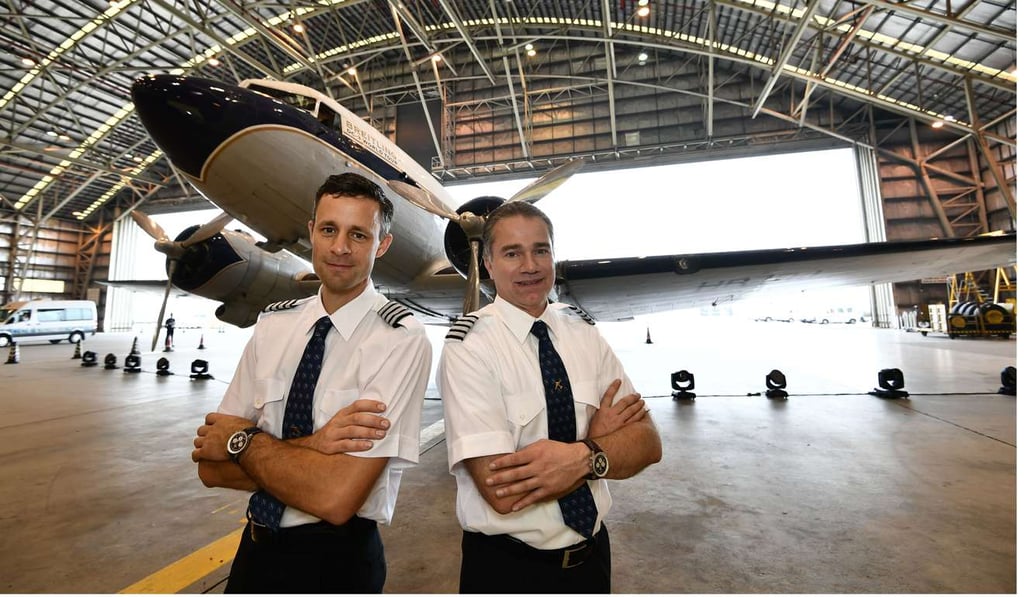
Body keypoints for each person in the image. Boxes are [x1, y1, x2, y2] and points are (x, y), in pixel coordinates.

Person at [190, 172, 432, 593]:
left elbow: (336, 497)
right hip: (253, 555)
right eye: (329, 229)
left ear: (383, 244)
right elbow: (211, 467)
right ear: (311, 234)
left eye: (359, 234)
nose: (340, 247)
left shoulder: (400, 339)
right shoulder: (272, 325)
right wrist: (316, 447)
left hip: (337, 564)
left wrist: (244, 442)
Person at [438, 200, 662, 593]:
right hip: (507, 569)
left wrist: (579, 455)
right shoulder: (468, 347)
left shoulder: (582, 332)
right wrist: (600, 445)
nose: (531, 266)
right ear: (488, 264)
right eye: (513, 253)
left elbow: (648, 443)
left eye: (541, 250)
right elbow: (501, 491)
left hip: (592, 561)